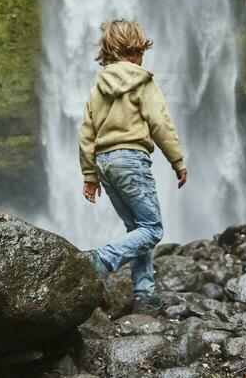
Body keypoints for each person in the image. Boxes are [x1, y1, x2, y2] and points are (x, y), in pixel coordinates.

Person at [78, 18, 187, 313]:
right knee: (152, 229)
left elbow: (87, 134)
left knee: (135, 228)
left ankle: (145, 292)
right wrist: (177, 161)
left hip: (104, 164)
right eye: (142, 52)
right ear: (137, 51)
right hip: (130, 160)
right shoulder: (143, 80)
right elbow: (160, 123)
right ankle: (102, 260)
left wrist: (90, 176)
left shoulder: (96, 89)